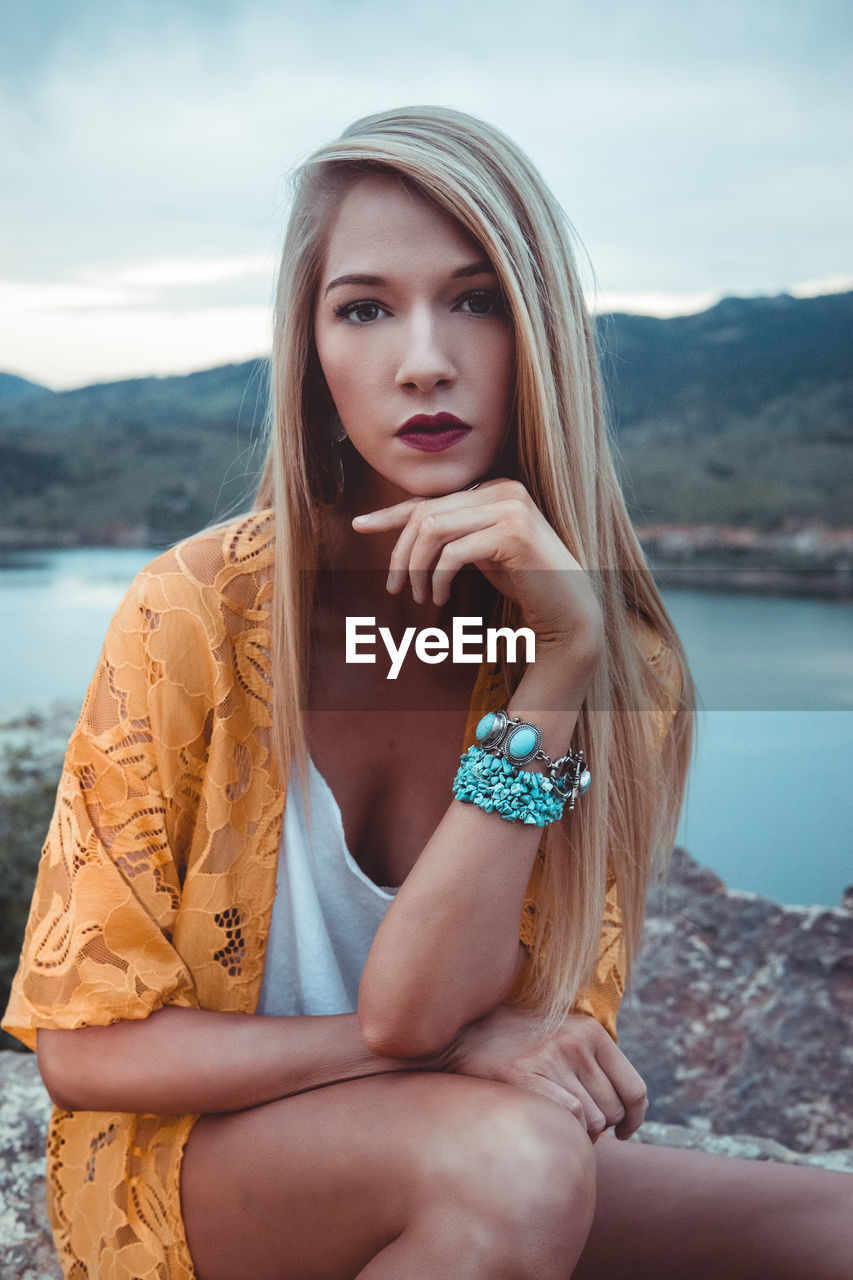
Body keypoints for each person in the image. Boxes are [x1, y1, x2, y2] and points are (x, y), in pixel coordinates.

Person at [3, 106, 850, 1280]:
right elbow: (89, 1050)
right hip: (190, 1170)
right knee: (509, 1164)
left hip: (462, 1148)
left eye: (475, 297)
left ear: (536, 327)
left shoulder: (618, 666)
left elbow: (463, 1014)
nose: (424, 358)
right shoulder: (192, 611)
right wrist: (422, 1056)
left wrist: (560, 665)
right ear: (311, 352)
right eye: (364, 307)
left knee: (828, 1229)